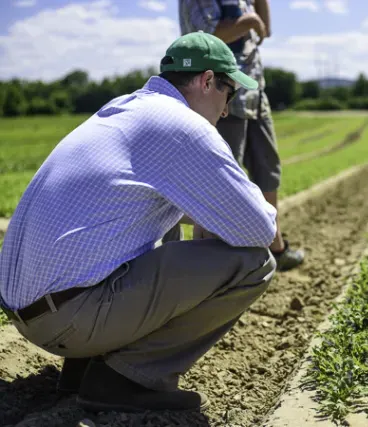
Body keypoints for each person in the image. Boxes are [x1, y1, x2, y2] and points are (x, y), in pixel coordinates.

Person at [0, 32, 278, 413]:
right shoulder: (184, 126)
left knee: (157, 224)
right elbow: (261, 230)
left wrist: (204, 211)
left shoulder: (122, 110)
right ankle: (126, 378)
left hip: (28, 312)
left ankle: (84, 367)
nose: (226, 110)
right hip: (69, 319)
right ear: (208, 81)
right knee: (254, 262)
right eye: (229, 94)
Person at [179, 0, 305, 272]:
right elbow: (204, 37)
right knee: (221, 175)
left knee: (267, 168)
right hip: (220, 94)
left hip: (254, 89)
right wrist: (248, 22)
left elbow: (265, 30)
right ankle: (213, 263)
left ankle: (274, 246)